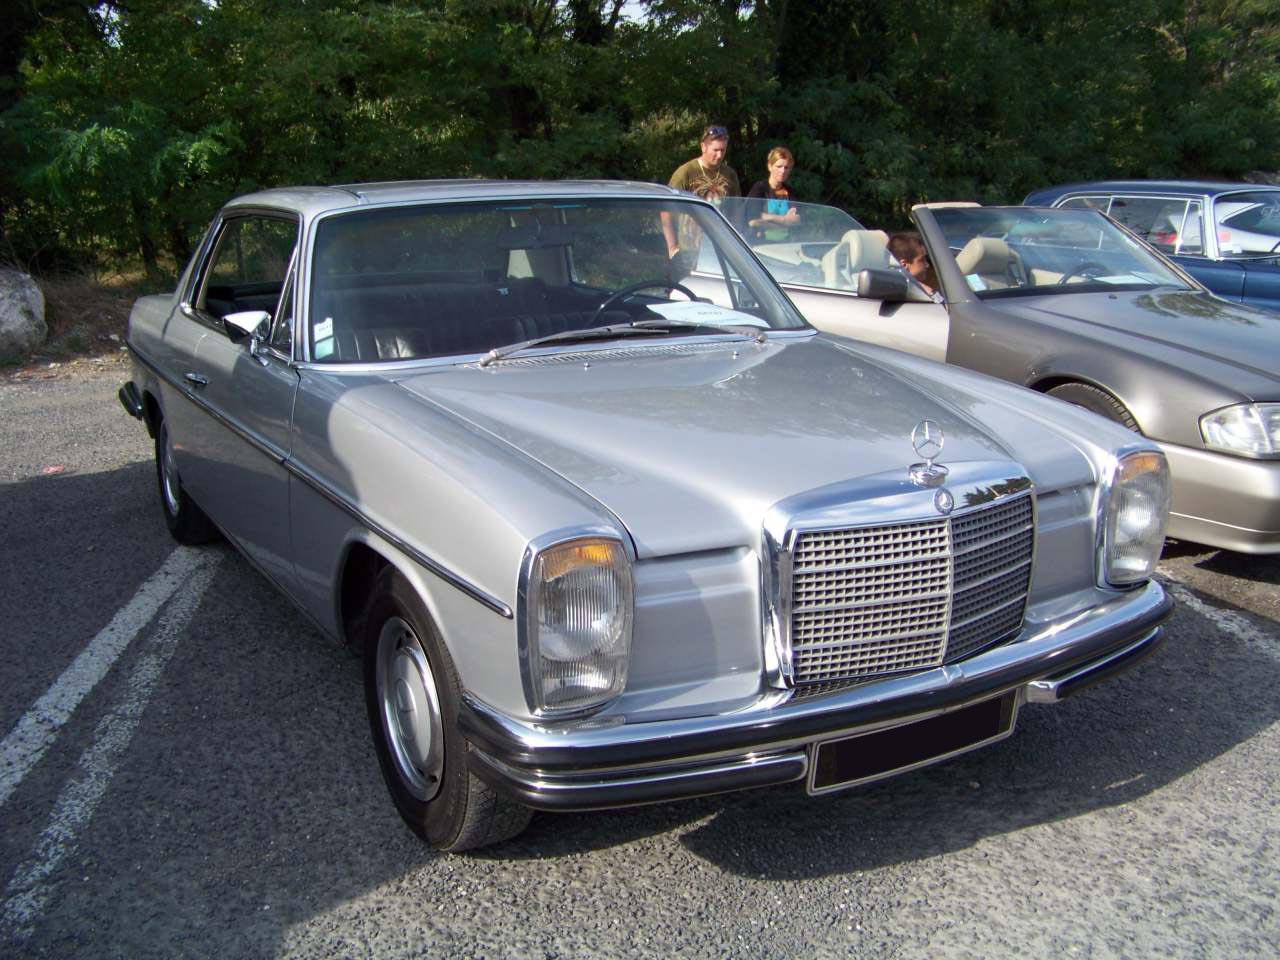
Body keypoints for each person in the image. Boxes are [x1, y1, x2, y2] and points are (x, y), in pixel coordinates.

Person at [662, 124, 741, 266]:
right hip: (689, 249)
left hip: (719, 247)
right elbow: (666, 211)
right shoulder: (686, 172)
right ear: (703, 147)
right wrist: (672, 246)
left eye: (722, 150)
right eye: (715, 150)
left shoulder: (730, 175)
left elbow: (735, 212)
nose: (719, 155)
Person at [746, 146, 800, 235]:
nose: (783, 171)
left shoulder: (790, 191)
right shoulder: (759, 188)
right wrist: (785, 222)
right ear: (770, 166)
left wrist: (768, 217)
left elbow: (797, 220)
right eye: (779, 166)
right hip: (761, 244)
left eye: (786, 167)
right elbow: (752, 221)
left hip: (786, 244)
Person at [889, 231, 939, 295]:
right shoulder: (906, 294)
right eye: (922, 260)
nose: (927, 265)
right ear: (904, 265)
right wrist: (931, 294)